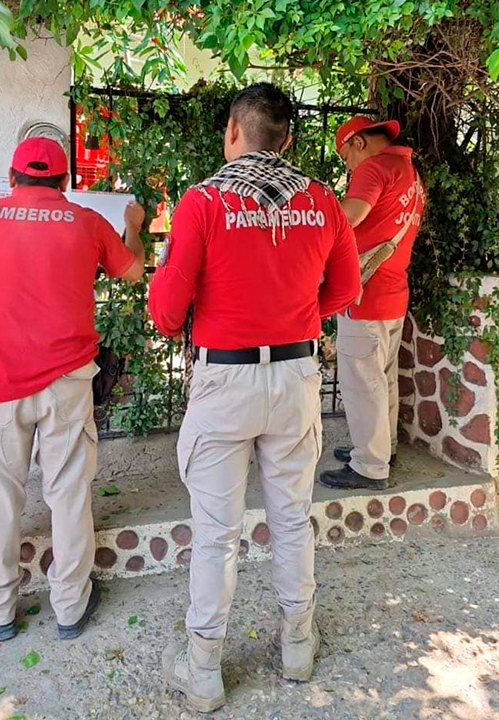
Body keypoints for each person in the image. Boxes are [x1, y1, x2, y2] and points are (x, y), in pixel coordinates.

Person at [147, 83, 360, 713]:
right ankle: (297, 645)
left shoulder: (203, 203)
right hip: (295, 380)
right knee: (292, 519)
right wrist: (293, 325)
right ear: (288, 139)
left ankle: (205, 669)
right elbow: (343, 292)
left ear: (233, 132)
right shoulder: (322, 203)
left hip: (225, 384)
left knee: (216, 534)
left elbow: (164, 314)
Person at [0, 136, 146, 643]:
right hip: (68, 381)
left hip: (1, 387)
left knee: (0, 495)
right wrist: (133, 227)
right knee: (68, 491)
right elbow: (133, 272)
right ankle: (70, 605)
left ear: (11, 178)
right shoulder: (87, 224)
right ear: (65, 182)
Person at [318, 116, 424, 492]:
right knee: (382, 378)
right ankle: (383, 448)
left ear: (357, 142)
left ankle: (370, 466)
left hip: (365, 293)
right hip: (393, 291)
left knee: (363, 383)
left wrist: (318, 211)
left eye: (344, 154)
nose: (347, 165)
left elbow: (351, 216)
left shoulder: (374, 168)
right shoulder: (408, 172)